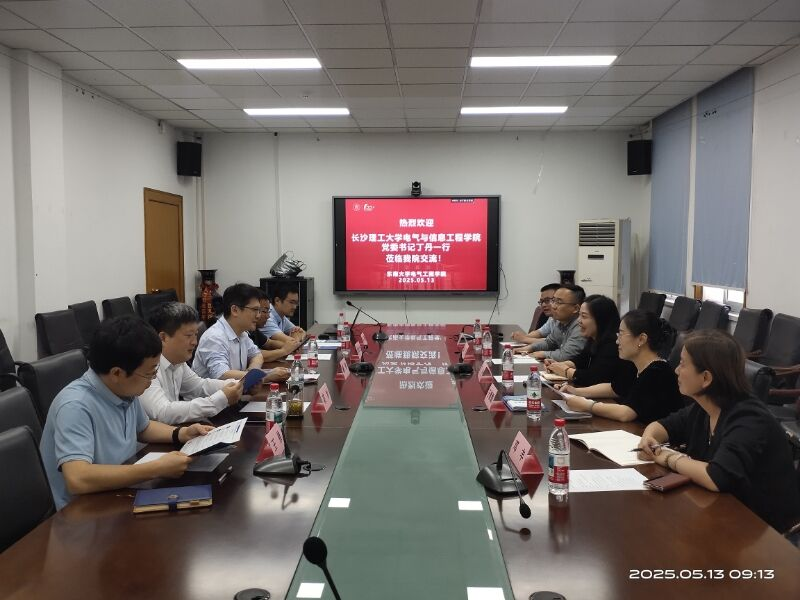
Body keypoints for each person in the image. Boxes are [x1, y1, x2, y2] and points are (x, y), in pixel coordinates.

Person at [39, 316, 214, 510]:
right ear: (117, 373)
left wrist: (181, 433)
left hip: (119, 492)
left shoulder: (123, 388)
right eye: (149, 373)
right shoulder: (75, 406)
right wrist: (156, 469)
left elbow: (143, 427)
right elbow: (78, 478)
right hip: (85, 510)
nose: (152, 379)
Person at [638, 330, 800, 535]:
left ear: (706, 378)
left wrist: (667, 457)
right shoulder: (705, 407)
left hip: (766, 531)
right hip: (724, 513)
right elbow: (664, 425)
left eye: (683, 364)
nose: (676, 370)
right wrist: (649, 437)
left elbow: (717, 477)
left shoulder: (749, 418)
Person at [562, 309, 684, 423]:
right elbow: (615, 388)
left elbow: (626, 413)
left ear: (641, 339)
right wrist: (576, 391)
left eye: (621, 334)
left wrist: (588, 406)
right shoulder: (635, 365)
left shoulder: (657, 372)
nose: (617, 341)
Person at [140, 302, 244, 425]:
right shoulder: (145, 366)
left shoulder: (178, 361)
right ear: (163, 338)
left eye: (195, 335)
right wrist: (220, 399)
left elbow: (198, 386)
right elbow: (162, 412)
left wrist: (239, 384)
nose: (195, 342)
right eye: (189, 335)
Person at [192, 283, 290, 381]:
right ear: (235, 310)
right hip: (215, 391)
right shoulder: (214, 337)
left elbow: (257, 355)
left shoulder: (242, 333)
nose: (258, 315)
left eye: (259, 310)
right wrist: (265, 376)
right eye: (255, 310)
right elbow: (222, 374)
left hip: (237, 389)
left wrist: (252, 373)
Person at [544, 294, 636, 388]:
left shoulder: (613, 345)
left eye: (584, 316)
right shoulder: (593, 338)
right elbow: (582, 359)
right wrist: (558, 365)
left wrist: (567, 371)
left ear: (600, 319)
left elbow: (595, 378)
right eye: (579, 315)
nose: (579, 320)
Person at [516, 284, 587, 361]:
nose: (553, 306)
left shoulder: (581, 326)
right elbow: (549, 343)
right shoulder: (560, 322)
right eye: (553, 301)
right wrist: (529, 348)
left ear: (576, 308)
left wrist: (542, 354)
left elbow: (565, 355)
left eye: (559, 302)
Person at [249, 288, 302, 360]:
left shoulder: (252, 329)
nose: (268, 316)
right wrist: (284, 350)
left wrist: (290, 346)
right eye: (264, 311)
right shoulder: (245, 331)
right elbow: (256, 354)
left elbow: (269, 343)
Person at [259, 281, 305, 345]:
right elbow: (292, 343)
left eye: (296, 303)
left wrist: (297, 337)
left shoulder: (281, 316)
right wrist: (296, 339)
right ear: (277, 301)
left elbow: (302, 332)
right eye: (291, 302)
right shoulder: (267, 318)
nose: (295, 307)